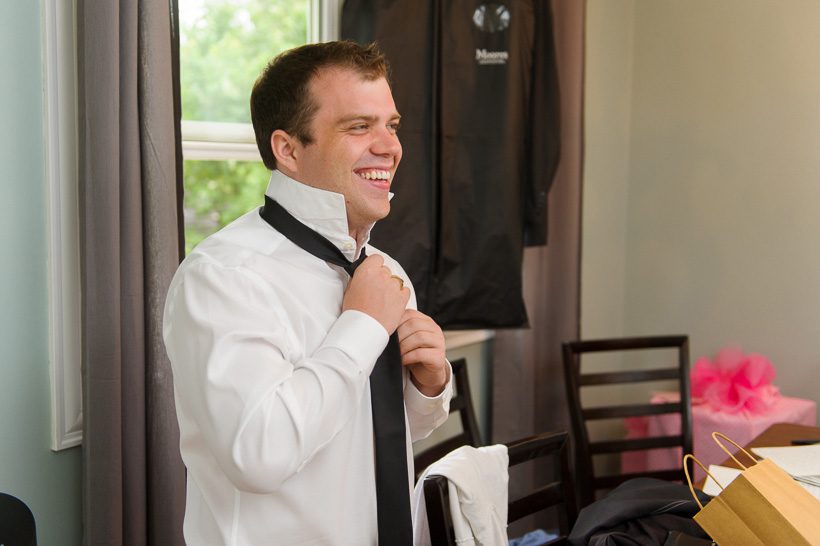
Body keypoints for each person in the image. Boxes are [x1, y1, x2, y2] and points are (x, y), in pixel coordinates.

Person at [163, 40, 453, 545]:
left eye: (392, 125)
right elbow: (259, 453)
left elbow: (377, 430)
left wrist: (428, 386)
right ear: (289, 150)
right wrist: (360, 329)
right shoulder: (223, 276)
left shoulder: (384, 273)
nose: (389, 146)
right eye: (359, 126)